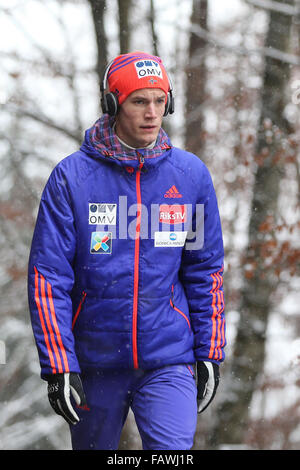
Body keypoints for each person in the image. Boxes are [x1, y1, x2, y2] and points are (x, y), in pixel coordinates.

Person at [28, 51, 226, 450]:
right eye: (139, 101)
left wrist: (209, 351)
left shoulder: (190, 177)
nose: (152, 113)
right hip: (94, 363)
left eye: (159, 100)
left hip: (168, 358)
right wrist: (59, 365)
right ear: (113, 104)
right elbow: (47, 278)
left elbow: (206, 272)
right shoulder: (72, 179)